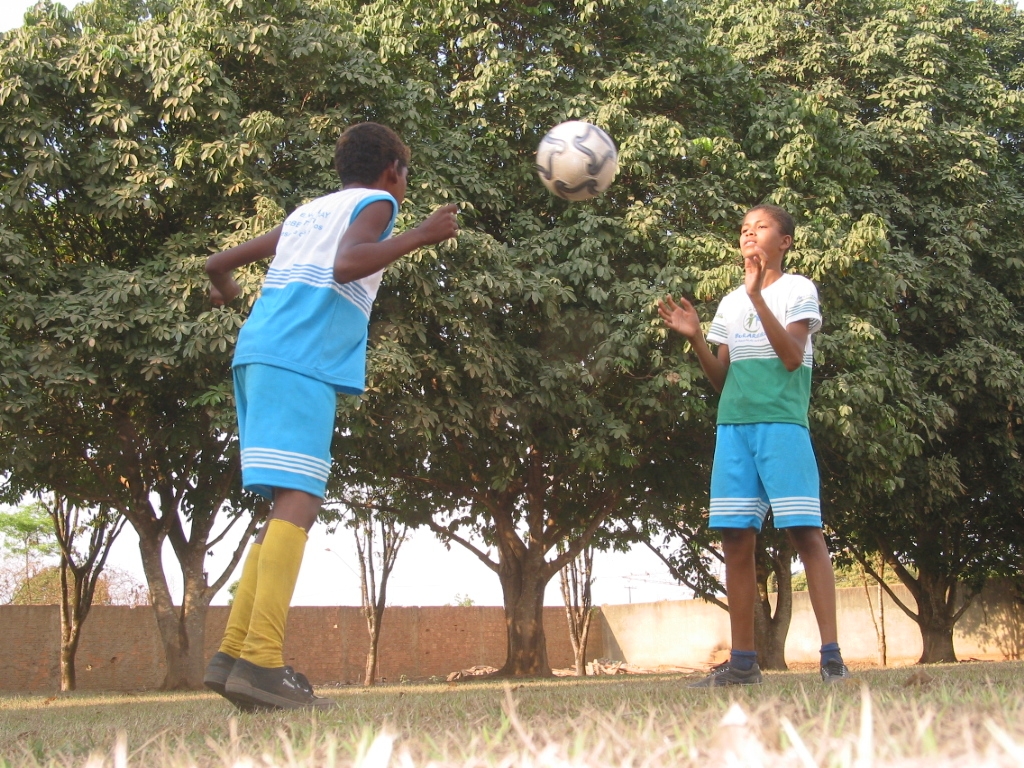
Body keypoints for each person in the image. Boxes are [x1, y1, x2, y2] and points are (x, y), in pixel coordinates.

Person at [201, 122, 459, 709]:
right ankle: (261, 661)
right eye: (405, 174)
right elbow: (347, 265)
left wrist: (227, 289)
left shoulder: (306, 215)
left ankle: (234, 655)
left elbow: (218, 262)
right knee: (300, 499)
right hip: (300, 360)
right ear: (393, 170)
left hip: (259, 354)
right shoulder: (377, 203)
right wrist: (421, 234)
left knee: (283, 502)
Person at [658, 204, 849, 686]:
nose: (749, 233)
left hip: (782, 425)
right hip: (734, 428)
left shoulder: (798, 289)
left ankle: (831, 658)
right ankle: (743, 664)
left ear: (784, 242)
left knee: (805, 532)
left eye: (761, 227)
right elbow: (722, 381)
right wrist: (697, 339)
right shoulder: (728, 302)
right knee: (735, 539)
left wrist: (757, 297)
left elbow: (791, 357)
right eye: (744, 228)